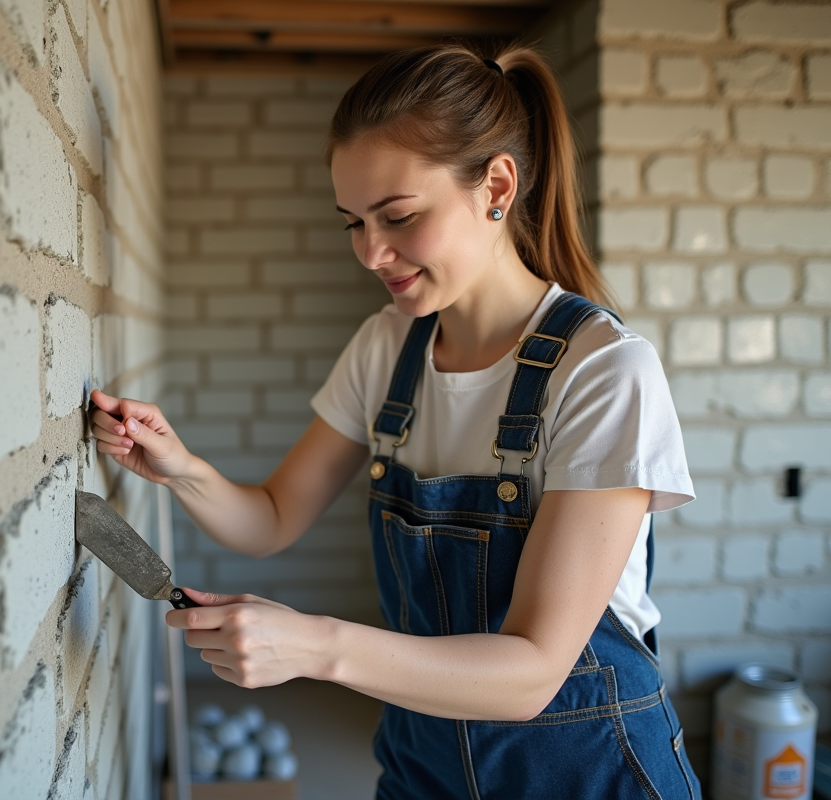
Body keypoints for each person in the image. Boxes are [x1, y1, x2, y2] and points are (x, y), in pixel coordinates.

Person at [90, 44, 701, 799]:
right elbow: (272, 517)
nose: (372, 252)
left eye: (399, 216)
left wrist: (317, 646)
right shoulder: (388, 347)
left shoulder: (604, 370)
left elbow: (533, 673)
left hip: (585, 772)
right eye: (353, 222)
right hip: (423, 762)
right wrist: (180, 467)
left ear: (496, 186)